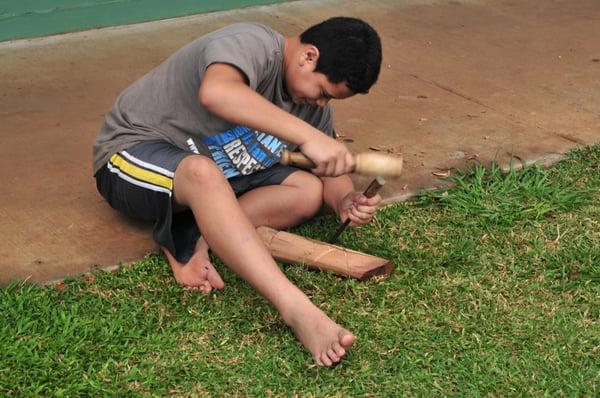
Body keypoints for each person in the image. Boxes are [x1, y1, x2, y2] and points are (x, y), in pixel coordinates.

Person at [93, 16, 382, 367]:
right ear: (308, 56)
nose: (320, 104)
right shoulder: (252, 43)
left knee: (306, 190)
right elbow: (217, 93)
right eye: (322, 92)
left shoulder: (310, 107)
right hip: (133, 155)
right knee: (203, 173)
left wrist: (343, 198)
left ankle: (195, 235)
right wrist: (310, 137)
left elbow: (327, 168)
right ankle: (297, 310)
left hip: (214, 179)